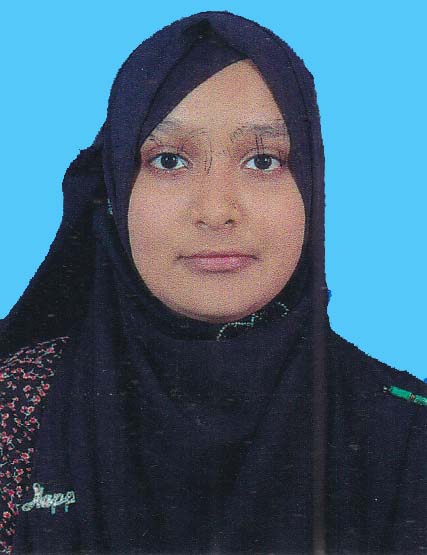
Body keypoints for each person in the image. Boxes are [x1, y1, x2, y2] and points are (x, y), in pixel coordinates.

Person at [0, 10, 426, 555]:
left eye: (263, 161)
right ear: (114, 192)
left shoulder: (408, 432)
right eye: (169, 160)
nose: (217, 210)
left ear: (312, 187)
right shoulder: (18, 409)